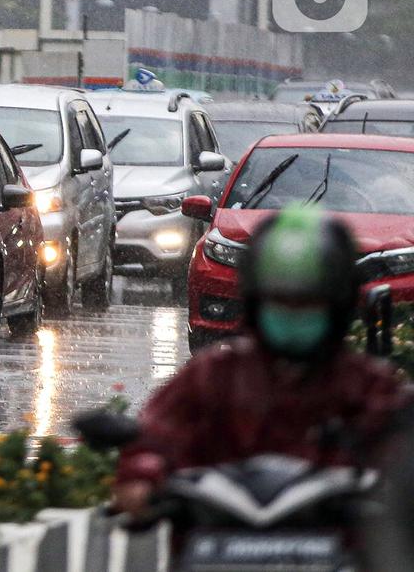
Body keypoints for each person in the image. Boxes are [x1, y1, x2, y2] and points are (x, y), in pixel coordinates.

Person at [114, 205, 411, 517]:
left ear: (338, 305)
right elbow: (157, 435)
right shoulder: (212, 376)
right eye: (281, 299)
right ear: (257, 300)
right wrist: (142, 477)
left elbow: (401, 450)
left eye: (309, 301)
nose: (294, 311)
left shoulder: (368, 386)